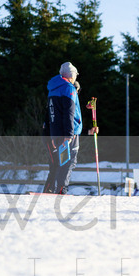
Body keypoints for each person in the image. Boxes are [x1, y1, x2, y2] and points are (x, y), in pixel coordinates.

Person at [46, 62, 93, 194]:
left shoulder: (53, 88)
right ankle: (62, 189)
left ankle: (57, 188)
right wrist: (68, 134)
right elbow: (69, 113)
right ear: (71, 75)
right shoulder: (68, 88)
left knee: (61, 162)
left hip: (57, 132)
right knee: (69, 161)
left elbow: (53, 114)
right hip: (68, 133)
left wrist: (54, 135)